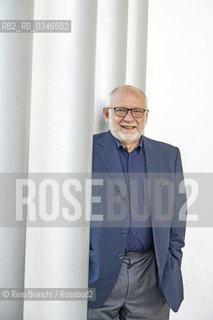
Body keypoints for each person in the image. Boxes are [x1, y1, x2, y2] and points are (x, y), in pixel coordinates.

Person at [88, 85, 187, 320]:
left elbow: (177, 215)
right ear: (106, 114)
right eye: (120, 110)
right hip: (99, 274)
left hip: (150, 275)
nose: (129, 118)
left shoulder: (168, 156)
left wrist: (171, 262)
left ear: (146, 115)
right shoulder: (86, 150)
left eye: (137, 111)